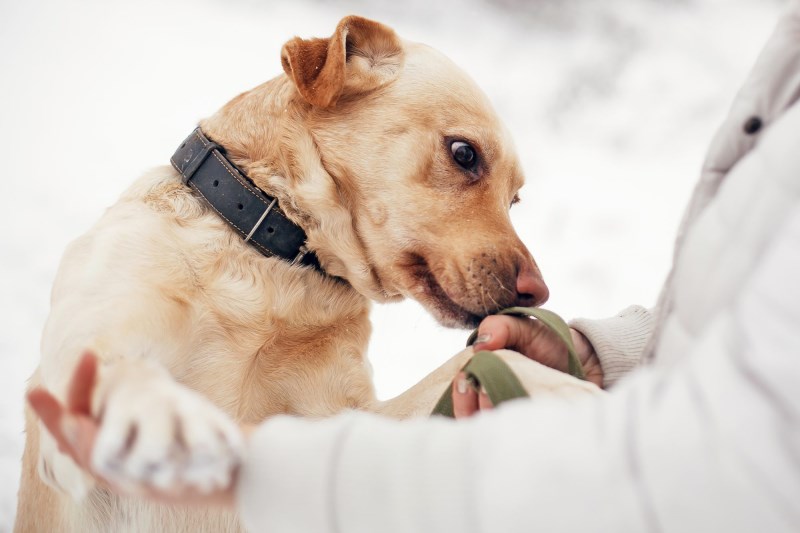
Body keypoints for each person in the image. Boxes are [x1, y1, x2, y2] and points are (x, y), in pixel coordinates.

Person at [29, 2, 800, 531]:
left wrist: (547, 374)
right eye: (464, 160)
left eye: (509, 201)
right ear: (334, 80)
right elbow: (77, 394)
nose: (527, 276)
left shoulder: (335, 311)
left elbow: (344, 477)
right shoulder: (143, 241)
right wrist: (125, 401)